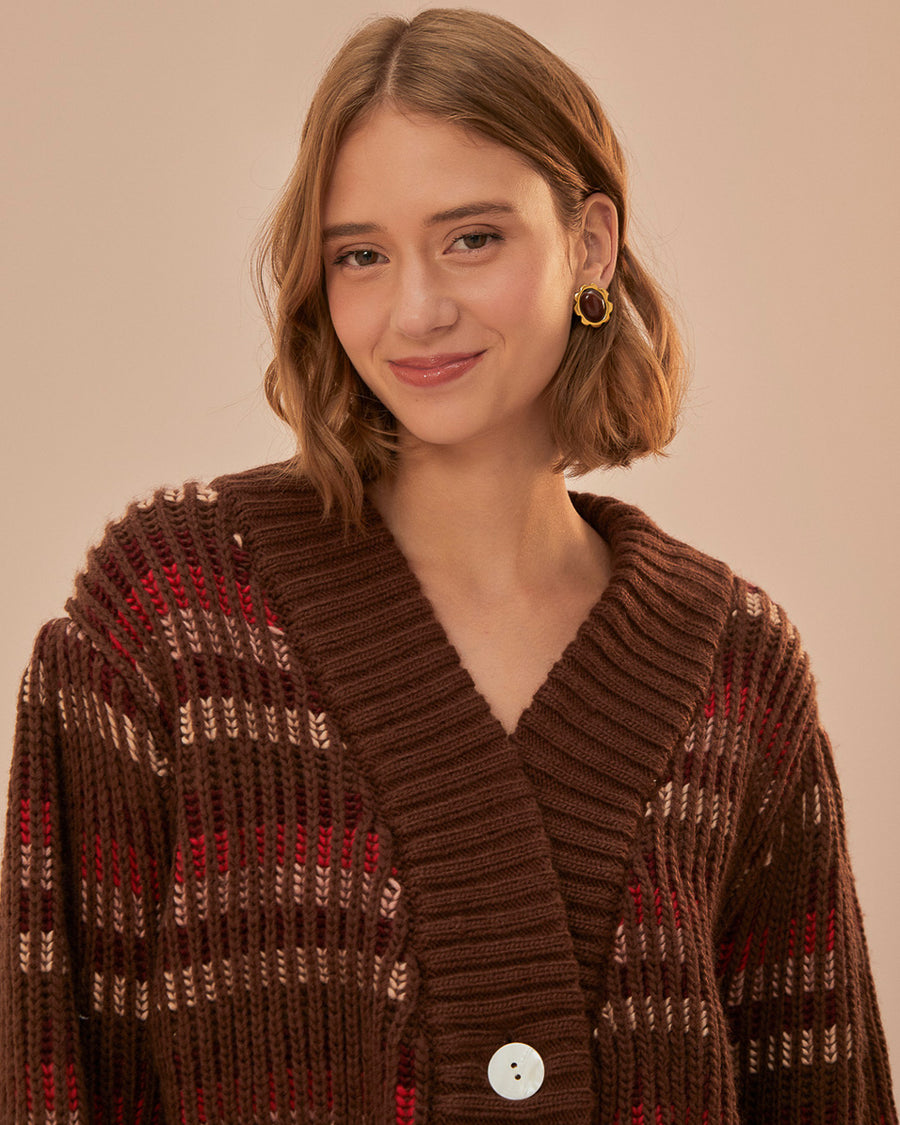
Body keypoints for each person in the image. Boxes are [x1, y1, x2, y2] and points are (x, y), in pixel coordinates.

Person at [1, 8, 896, 1123]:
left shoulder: (739, 675)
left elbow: (823, 1091)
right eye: (362, 255)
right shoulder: (170, 618)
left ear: (591, 245)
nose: (417, 311)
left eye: (473, 237)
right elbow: (57, 1079)